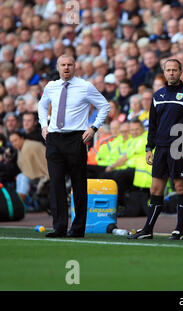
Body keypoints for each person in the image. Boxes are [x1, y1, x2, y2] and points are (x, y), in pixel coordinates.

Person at [37, 54, 110, 238]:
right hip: (54, 139)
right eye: (63, 65)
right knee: (56, 184)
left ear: (75, 67)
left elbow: (104, 106)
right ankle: (59, 227)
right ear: (58, 66)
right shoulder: (51, 87)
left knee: (78, 184)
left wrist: (93, 128)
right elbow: (42, 106)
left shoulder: (85, 86)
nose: (66, 68)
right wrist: (44, 126)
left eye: (69, 64)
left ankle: (77, 229)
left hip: (76, 139)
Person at [129, 58, 183, 241]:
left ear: (180, 72)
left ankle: (178, 230)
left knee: (179, 187)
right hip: (160, 149)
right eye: (168, 70)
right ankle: (148, 229)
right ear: (164, 72)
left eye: (174, 70)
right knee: (155, 188)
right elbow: (152, 125)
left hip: (180, 148)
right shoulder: (157, 96)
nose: (171, 73)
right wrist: (148, 148)